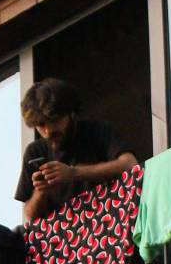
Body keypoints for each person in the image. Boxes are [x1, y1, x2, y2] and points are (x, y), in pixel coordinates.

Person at [14, 78, 139, 221]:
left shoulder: (97, 131)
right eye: (41, 124)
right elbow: (29, 214)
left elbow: (130, 164)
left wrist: (73, 173)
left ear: (71, 113)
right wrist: (41, 191)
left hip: (108, 223)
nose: (48, 131)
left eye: (54, 120)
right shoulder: (34, 152)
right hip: (64, 237)